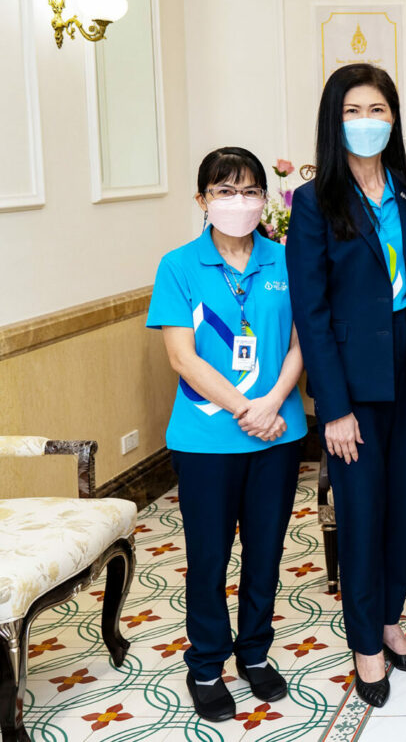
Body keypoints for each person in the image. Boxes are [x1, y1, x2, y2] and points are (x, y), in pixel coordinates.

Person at [286, 64, 406, 708]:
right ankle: (365, 644)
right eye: (353, 111)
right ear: (334, 122)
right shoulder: (314, 202)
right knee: (361, 515)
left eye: (378, 109)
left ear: (394, 118)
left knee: (400, 508)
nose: (367, 121)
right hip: (353, 386)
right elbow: (312, 311)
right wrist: (332, 407)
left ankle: (389, 621)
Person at [147, 147, 308, 722]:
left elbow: (303, 342)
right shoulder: (178, 266)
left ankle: (255, 654)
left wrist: (272, 403)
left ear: (265, 199)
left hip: (278, 435)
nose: (238, 202)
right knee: (209, 556)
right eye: (224, 191)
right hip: (206, 440)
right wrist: (247, 409)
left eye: (249, 191)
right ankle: (207, 665)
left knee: (266, 552)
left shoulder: (287, 260)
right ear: (202, 200)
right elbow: (182, 357)